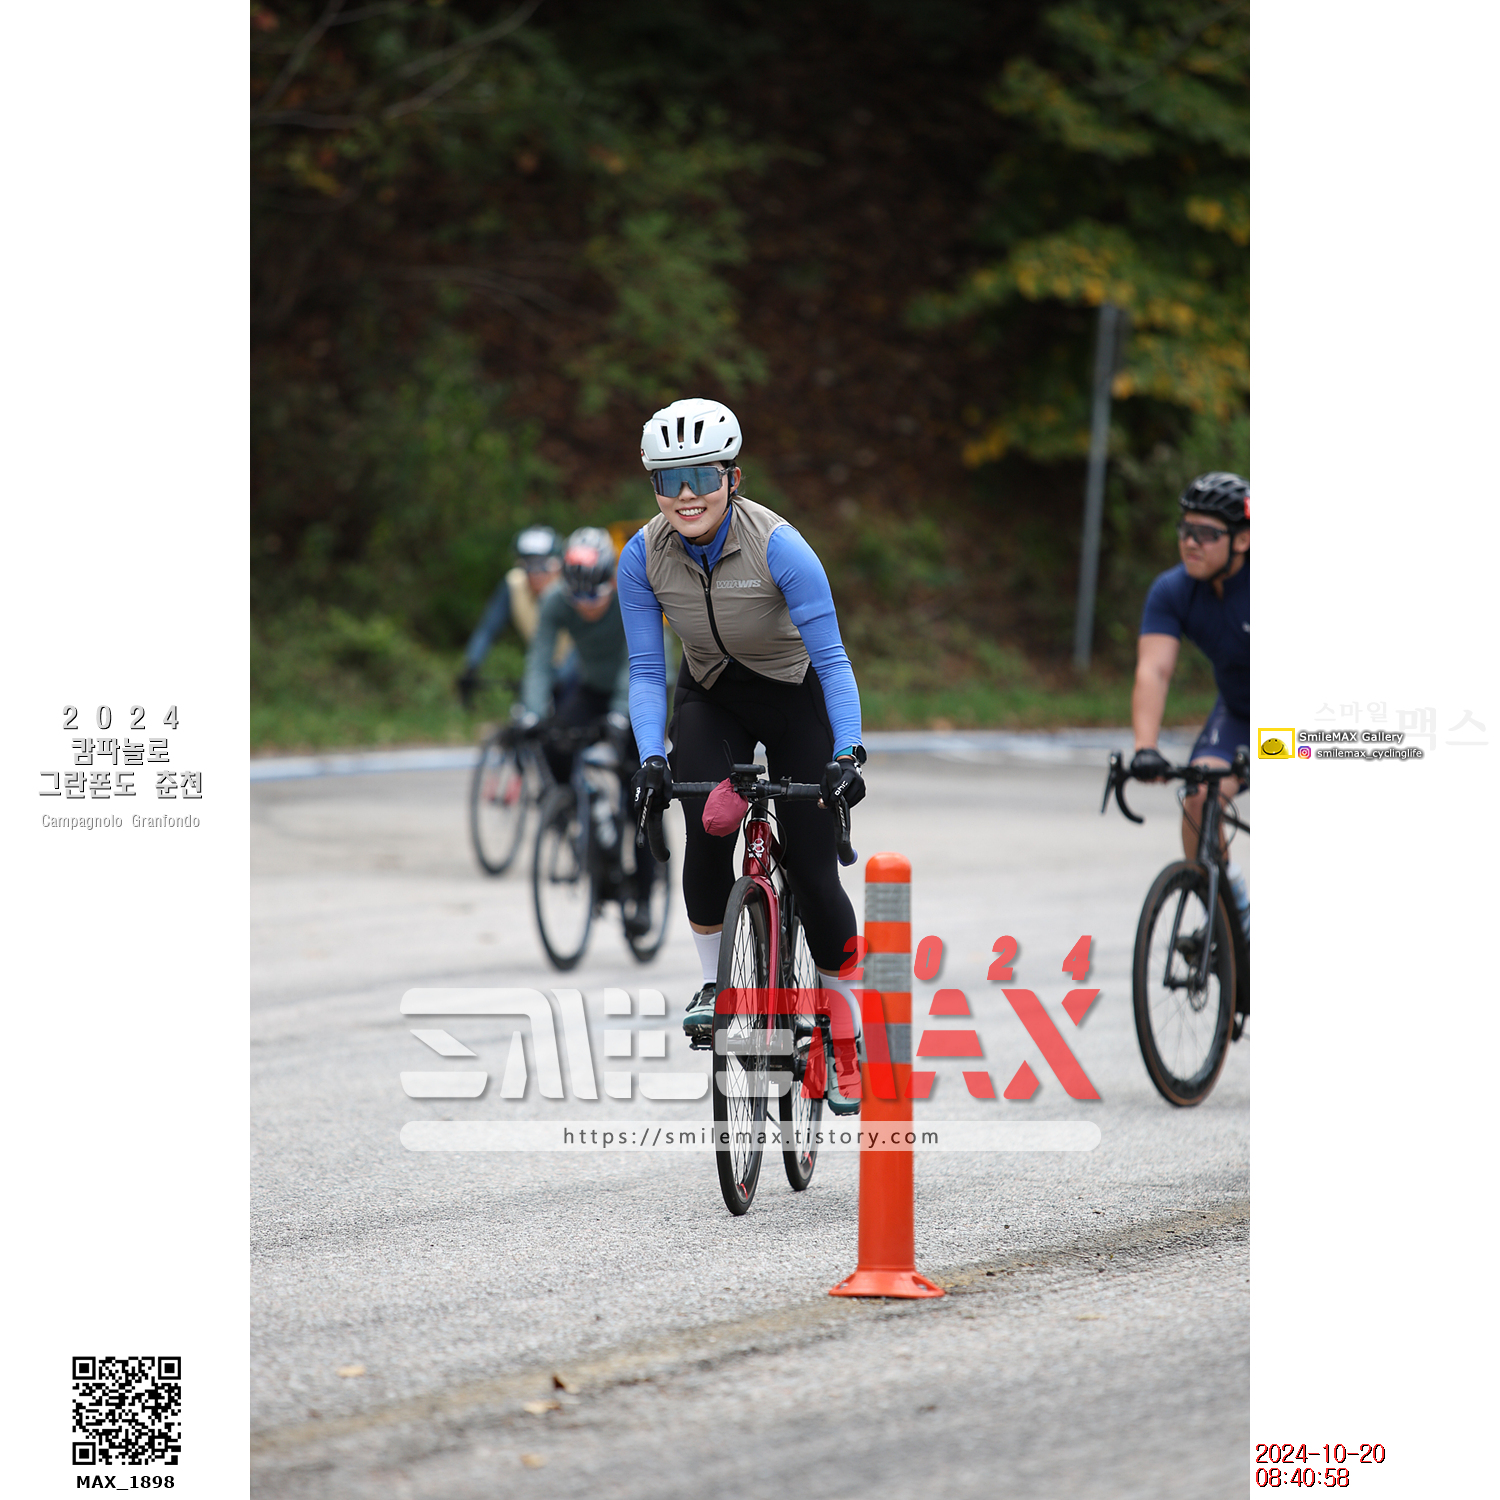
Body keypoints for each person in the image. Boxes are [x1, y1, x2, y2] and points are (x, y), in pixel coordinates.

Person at [617, 397, 867, 1072]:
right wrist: (650, 758)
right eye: (670, 479)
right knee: (705, 826)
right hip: (710, 696)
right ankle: (714, 981)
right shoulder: (642, 556)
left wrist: (847, 753)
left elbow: (833, 661)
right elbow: (647, 671)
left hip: (793, 695)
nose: (687, 494)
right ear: (655, 486)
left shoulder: (780, 547)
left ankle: (845, 1028)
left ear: (732, 477)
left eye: (703, 476)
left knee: (813, 872)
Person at [1130, 472, 1250, 929]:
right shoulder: (1173, 590)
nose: (1191, 543)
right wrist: (1146, 748)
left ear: (1242, 540)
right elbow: (1154, 670)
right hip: (1240, 712)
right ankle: (1231, 918)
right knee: (1200, 796)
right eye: (1186, 530)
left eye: (1207, 533)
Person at [455, 526, 574, 709]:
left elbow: (587, 638)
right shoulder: (514, 585)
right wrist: (471, 666)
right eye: (528, 565)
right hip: (542, 666)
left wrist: (563, 675)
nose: (536, 573)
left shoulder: (573, 586)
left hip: (579, 668)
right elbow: (488, 629)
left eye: (544, 564)